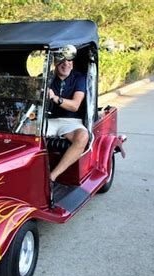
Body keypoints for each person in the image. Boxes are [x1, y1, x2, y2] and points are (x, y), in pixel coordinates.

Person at [47, 53, 89, 182]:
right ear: (55, 62)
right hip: (48, 120)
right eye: (61, 60)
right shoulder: (46, 78)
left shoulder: (79, 78)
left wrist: (55, 98)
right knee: (23, 131)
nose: (66, 64)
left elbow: (75, 105)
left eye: (69, 60)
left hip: (71, 122)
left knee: (82, 137)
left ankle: (52, 177)